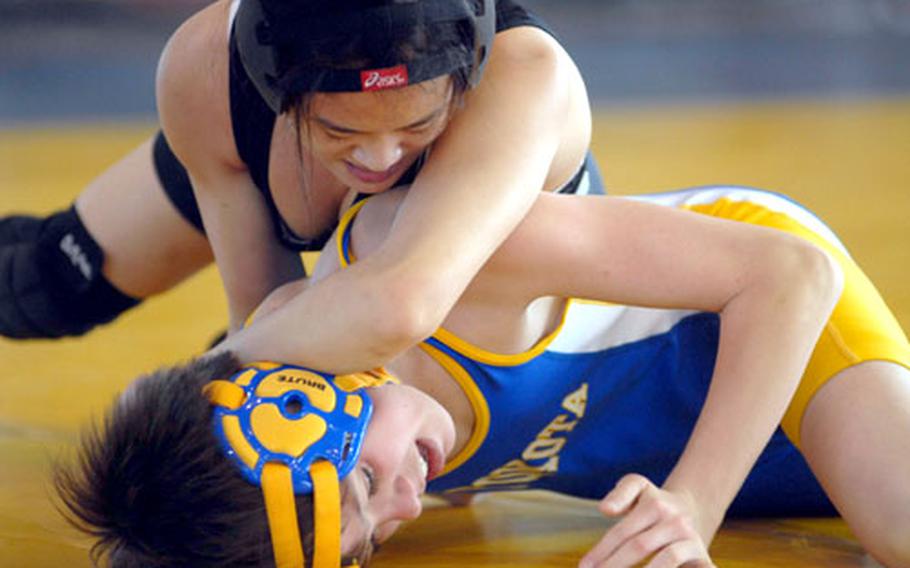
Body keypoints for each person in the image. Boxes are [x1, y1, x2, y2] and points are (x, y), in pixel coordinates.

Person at [55, 186, 910, 567]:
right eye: (369, 544)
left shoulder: (425, 271)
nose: (402, 507)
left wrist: (695, 501)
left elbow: (792, 276)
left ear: (297, 395)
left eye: (363, 481)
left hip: (760, 319)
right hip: (731, 440)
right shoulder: (312, 466)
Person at [0, 0, 600, 375]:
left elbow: (398, 305)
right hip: (264, 146)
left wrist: (181, 389)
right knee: (39, 281)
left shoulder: (522, 80)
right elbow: (257, 319)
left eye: (417, 125)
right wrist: (227, 368)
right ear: (271, 86)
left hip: (455, 288)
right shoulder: (209, 68)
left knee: (303, 384)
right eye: (340, 129)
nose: (379, 157)